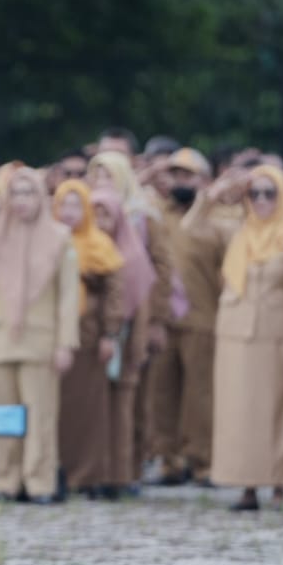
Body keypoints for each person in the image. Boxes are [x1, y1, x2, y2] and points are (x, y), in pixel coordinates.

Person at [188, 166, 283, 511]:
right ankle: (246, 485)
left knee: (276, 410)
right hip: (234, 334)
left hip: (277, 335)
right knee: (237, 414)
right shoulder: (236, 232)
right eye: (254, 193)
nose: (261, 201)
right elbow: (191, 228)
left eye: (269, 193)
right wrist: (218, 191)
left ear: (282, 196)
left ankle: (279, 479)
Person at [0, 168, 79, 503]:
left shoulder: (59, 236)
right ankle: (4, 482)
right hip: (1, 339)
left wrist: (65, 343)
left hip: (41, 341)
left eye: (29, 193)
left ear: (42, 196)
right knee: (2, 415)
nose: (21, 201)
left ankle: (40, 482)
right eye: (14, 193)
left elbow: (68, 297)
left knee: (41, 415)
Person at [152, 148, 233, 485]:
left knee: (200, 397)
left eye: (188, 175)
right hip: (163, 319)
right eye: (176, 175)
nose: (181, 181)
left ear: (204, 179)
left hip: (202, 317)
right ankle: (168, 460)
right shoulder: (157, 213)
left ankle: (201, 461)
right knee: (162, 393)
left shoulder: (220, 220)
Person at [52, 181, 125, 498]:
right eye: (63, 206)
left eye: (76, 206)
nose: (69, 213)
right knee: (57, 409)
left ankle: (89, 475)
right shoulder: (47, 242)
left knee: (90, 410)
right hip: (52, 335)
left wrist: (110, 333)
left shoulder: (100, 244)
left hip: (89, 336)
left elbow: (114, 294)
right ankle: (58, 472)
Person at [91, 187, 157, 495]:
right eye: (95, 214)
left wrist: (137, 346)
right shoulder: (86, 248)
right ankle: (97, 473)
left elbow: (141, 304)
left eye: (106, 214)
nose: (100, 221)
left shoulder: (131, 253)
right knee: (97, 411)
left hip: (126, 342)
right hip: (93, 343)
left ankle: (122, 475)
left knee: (122, 411)